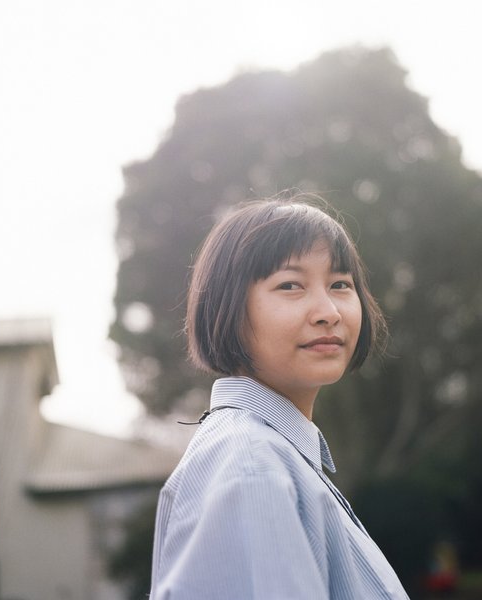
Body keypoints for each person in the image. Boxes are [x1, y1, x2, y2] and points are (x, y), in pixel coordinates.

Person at [149, 198, 410, 599]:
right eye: (290, 285)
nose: (329, 311)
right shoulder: (253, 468)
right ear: (228, 307)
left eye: (340, 284)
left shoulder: (276, 456)